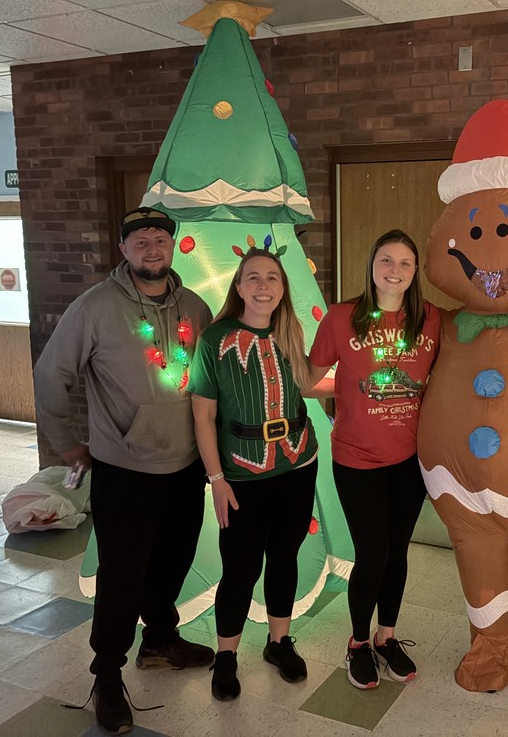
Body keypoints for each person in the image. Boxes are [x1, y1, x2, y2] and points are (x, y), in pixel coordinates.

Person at [34, 207, 214, 734]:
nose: (152, 247)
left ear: (172, 246)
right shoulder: (93, 308)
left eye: (160, 238)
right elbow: (51, 374)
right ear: (124, 249)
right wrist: (67, 447)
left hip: (185, 465)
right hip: (125, 469)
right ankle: (107, 676)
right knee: (121, 576)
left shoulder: (196, 307)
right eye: (141, 240)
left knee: (174, 559)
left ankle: (159, 640)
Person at [308, 229, 441, 689]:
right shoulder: (343, 317)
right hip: (357, 459)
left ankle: (387, 638)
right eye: (386, 260)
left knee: (397, 552)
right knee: (372, 553)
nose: (395, 271)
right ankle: (358, 644)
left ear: (415, 271)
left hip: (409, 461)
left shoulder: (430, 320)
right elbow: (310, 381)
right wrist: (347, 388)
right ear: (371, 265)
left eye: (405, 263)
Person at [185, 248, 319, 700]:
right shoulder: (214, 341)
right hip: (241, 475)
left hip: (298, 464)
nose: (264, 286)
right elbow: (203, 417)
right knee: (240, 566)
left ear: (283, 290)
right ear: (239, 287)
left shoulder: (291, 333)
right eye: (254, 278)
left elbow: (308, 384)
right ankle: (226, 655)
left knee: (285, 557)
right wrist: (216, 479)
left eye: (273, 279)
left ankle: (279, 642)